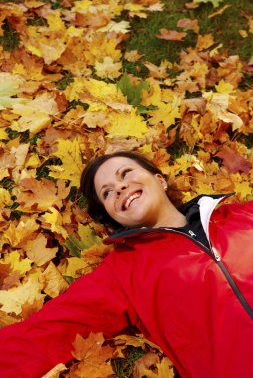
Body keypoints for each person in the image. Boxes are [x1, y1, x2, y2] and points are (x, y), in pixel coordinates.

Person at [0, 150, 253, 378]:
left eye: (126, 173)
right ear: (113, 215)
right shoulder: (123, 272)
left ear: (159, 179)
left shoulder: (242, 215)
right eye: (107, 192)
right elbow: (45, 333)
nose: (119, 188)